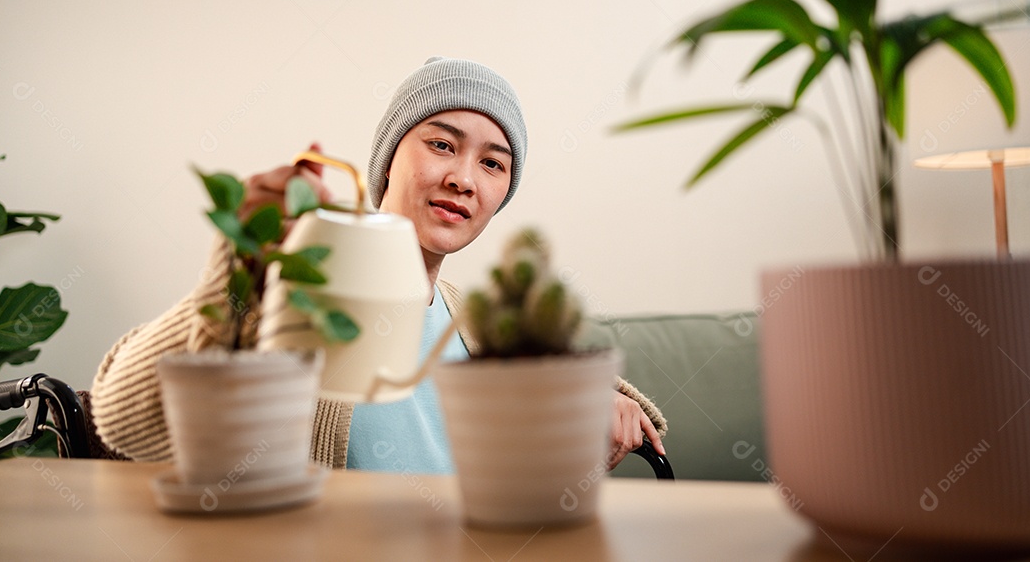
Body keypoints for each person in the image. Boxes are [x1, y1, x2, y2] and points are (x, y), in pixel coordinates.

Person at [90, 56, 666, 472]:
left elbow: (562, 384)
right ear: (389, 160)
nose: (463, 179)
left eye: (493, 164)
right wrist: (244, 272)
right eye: (442, 145)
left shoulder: (471, 319)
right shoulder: (305, 291)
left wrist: (603, 403)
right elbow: (119, 418)